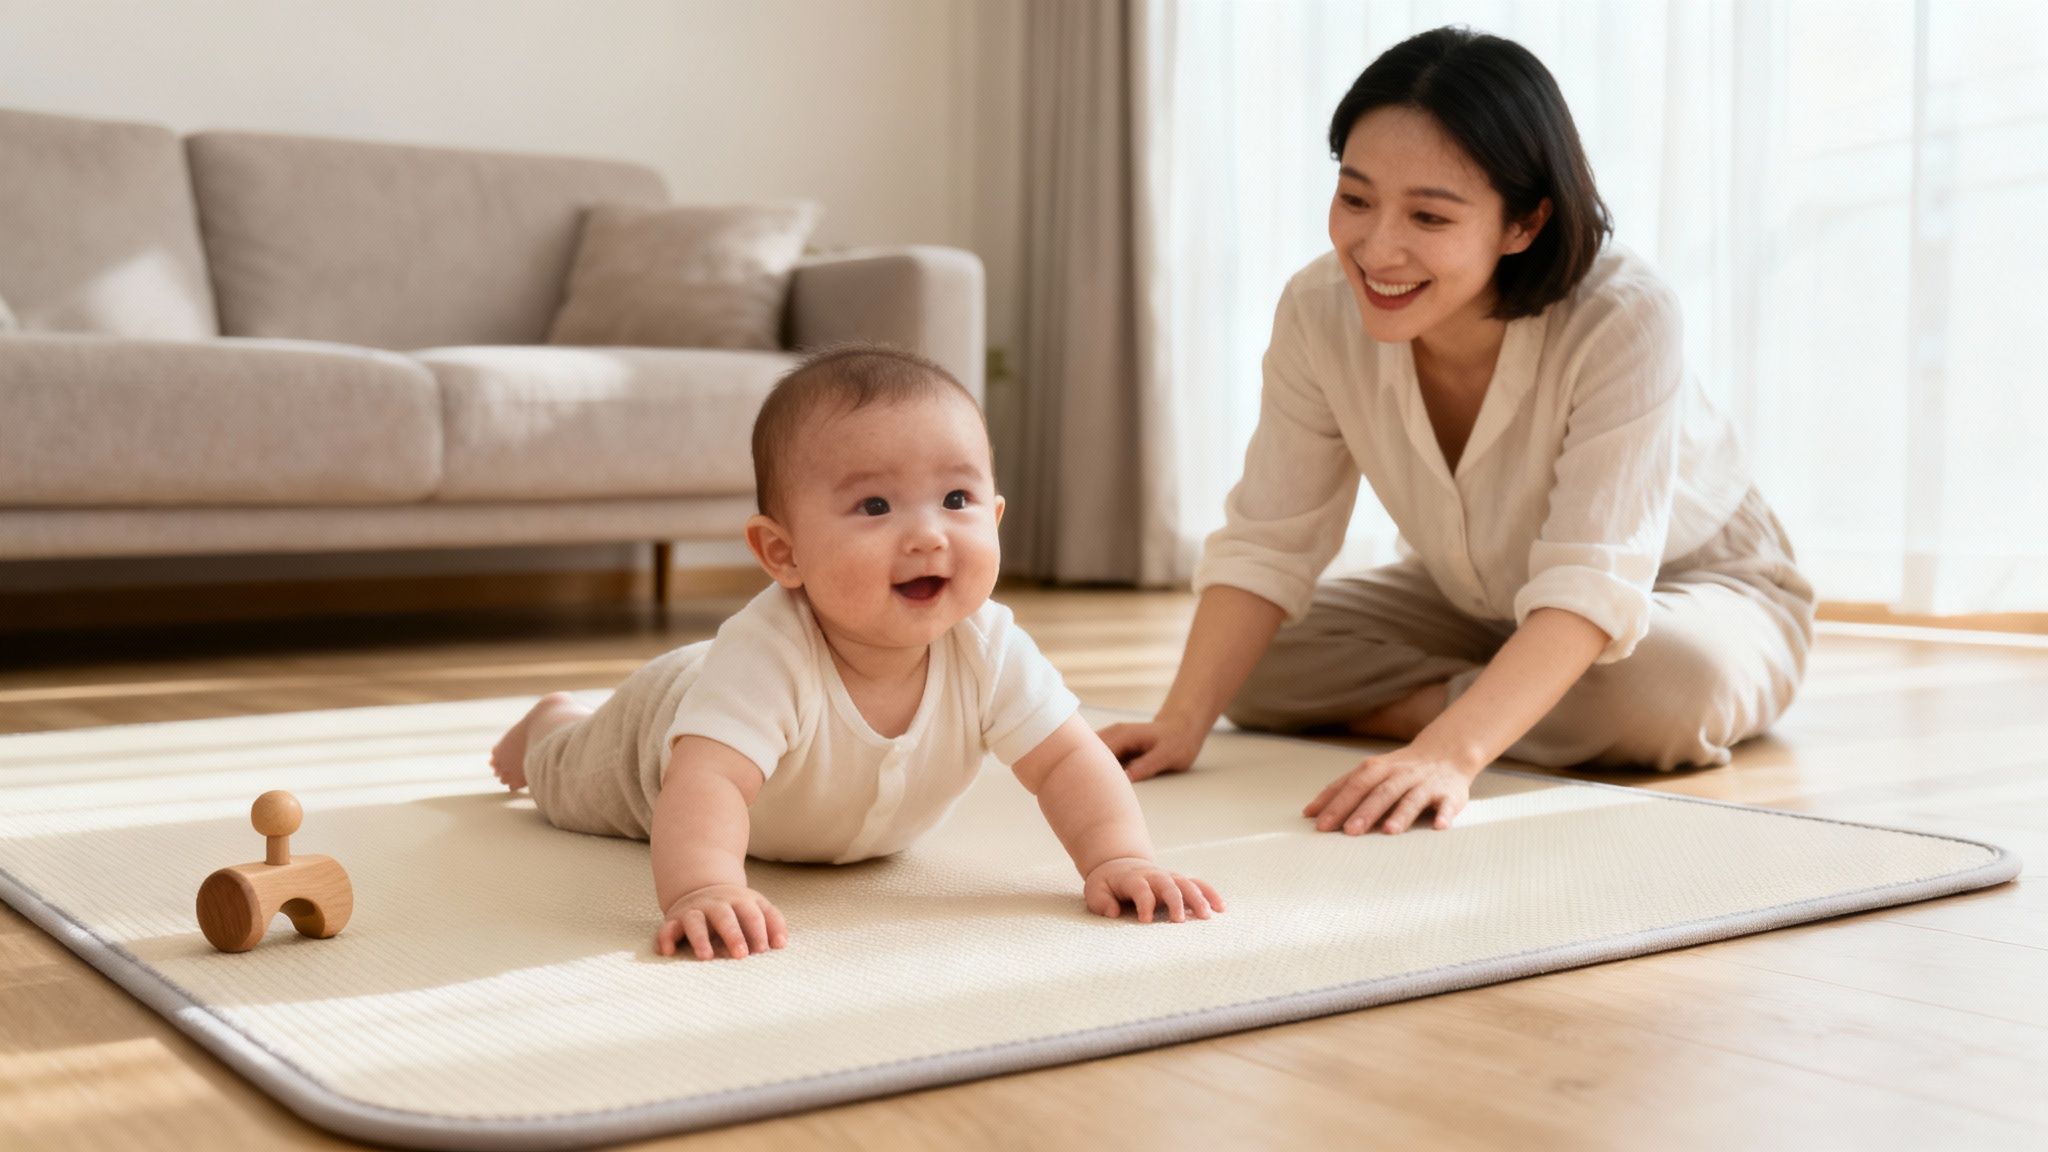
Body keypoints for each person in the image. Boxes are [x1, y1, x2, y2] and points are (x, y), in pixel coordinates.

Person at [1101, 26, 1816, 839]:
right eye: (1356, 198)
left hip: (1690, 585)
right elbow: (1271, 538)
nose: (1376, 248)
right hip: (1481, 600)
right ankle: (1522, 690)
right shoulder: (1315, 309)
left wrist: (1451, 749)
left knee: (1664, 686)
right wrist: (1183, 720)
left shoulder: (1624, 313)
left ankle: (1503, 700)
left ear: (1524, 223)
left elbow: (1593, 580)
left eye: (1429, 216)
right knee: (1254, 666)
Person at [490, 345, 1223, 960]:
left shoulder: (989, 645)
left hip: (747, 727)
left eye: (958, 500)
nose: (929, 535)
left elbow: (1067, 761)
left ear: (996, 516)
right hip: (660, 729)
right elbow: (708, 782)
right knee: (566, 784)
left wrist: (1120, 858)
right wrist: (704, 887)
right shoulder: (768, 655)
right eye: (876, 507)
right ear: (783, 552)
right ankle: (553, 724)